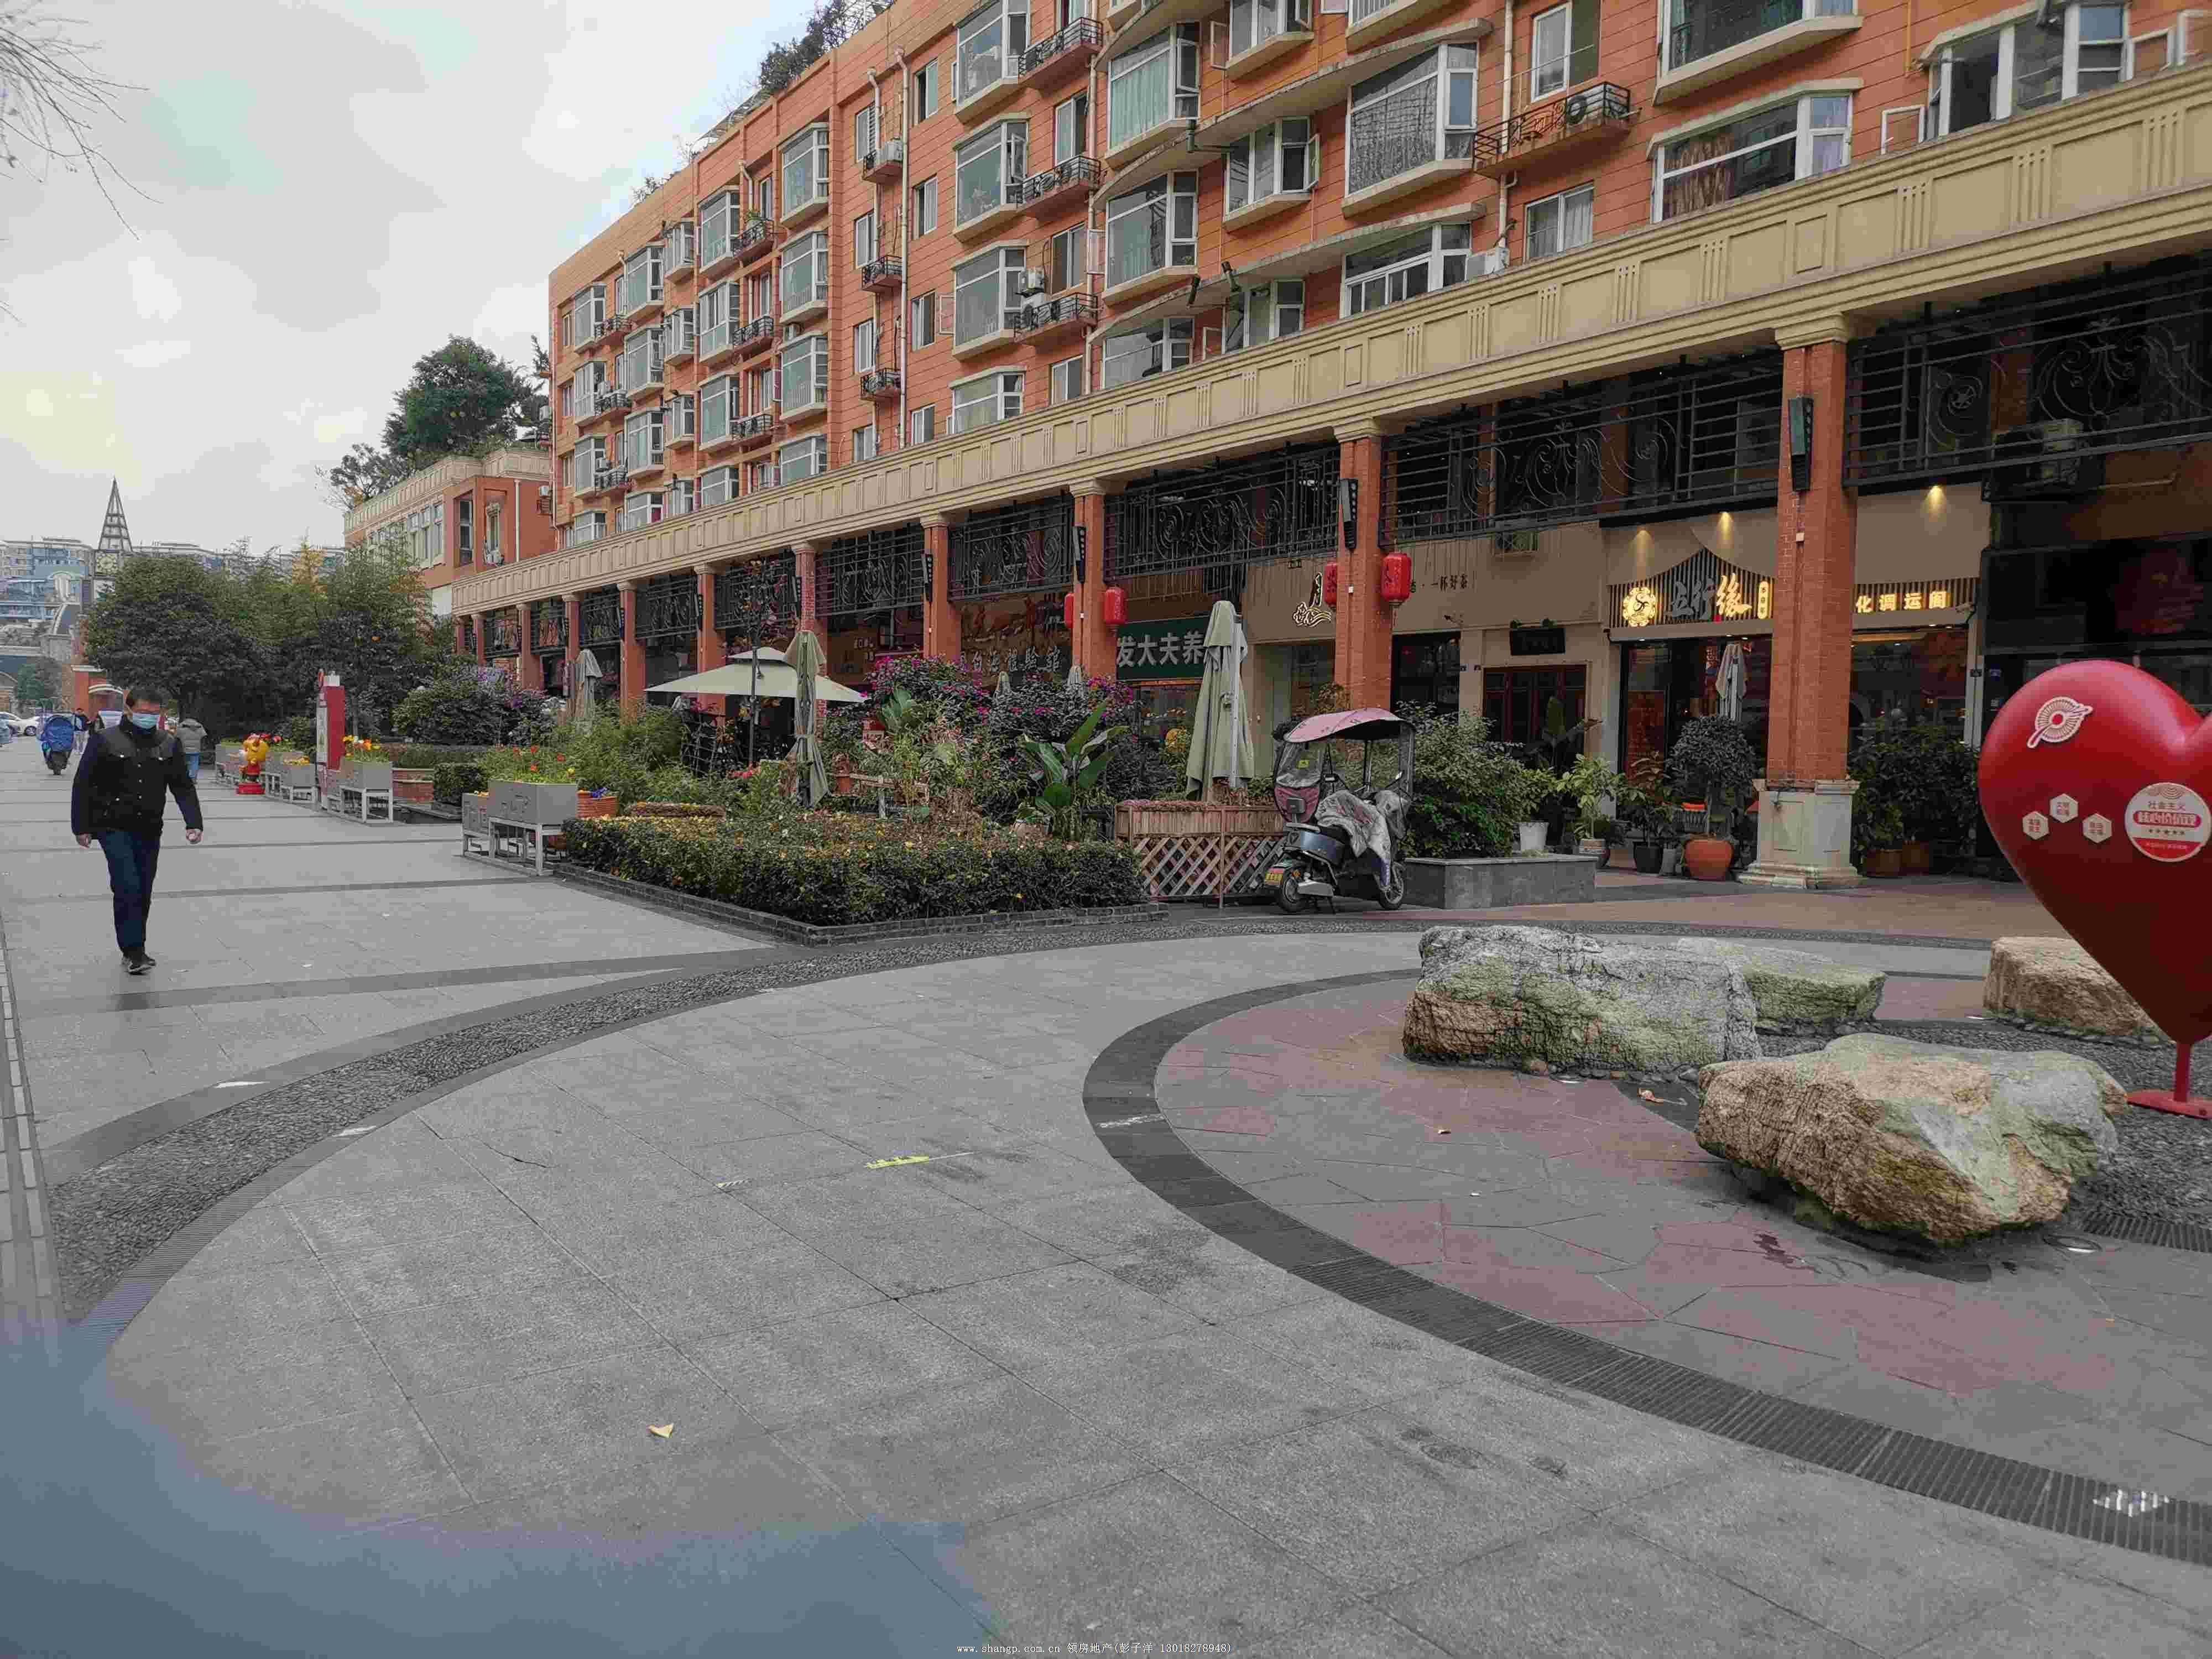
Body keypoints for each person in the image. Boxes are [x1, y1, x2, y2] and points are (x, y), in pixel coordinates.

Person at [70, 687, 203, 975]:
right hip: (112, 826)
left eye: (155, 713)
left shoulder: (168, 743)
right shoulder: (105, 740)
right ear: (129, 711)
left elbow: (182, 786)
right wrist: (81, 827)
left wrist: (194, 822)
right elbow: (84, 784)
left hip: (149, 828)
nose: (149, 717)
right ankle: (133, 951)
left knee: (143, 888)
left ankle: (136, 945)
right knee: (127, 885)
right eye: (143, 712)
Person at [175, 713, 209, 780]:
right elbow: (204, 736)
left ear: (186, 718)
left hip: (184, 749)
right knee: (195, 763)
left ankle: (186, 778)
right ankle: (193, 778)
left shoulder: (181, 726)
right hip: (196, 748)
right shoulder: (199, 726)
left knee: (186, 764)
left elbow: (177, 737)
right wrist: (203, 745)